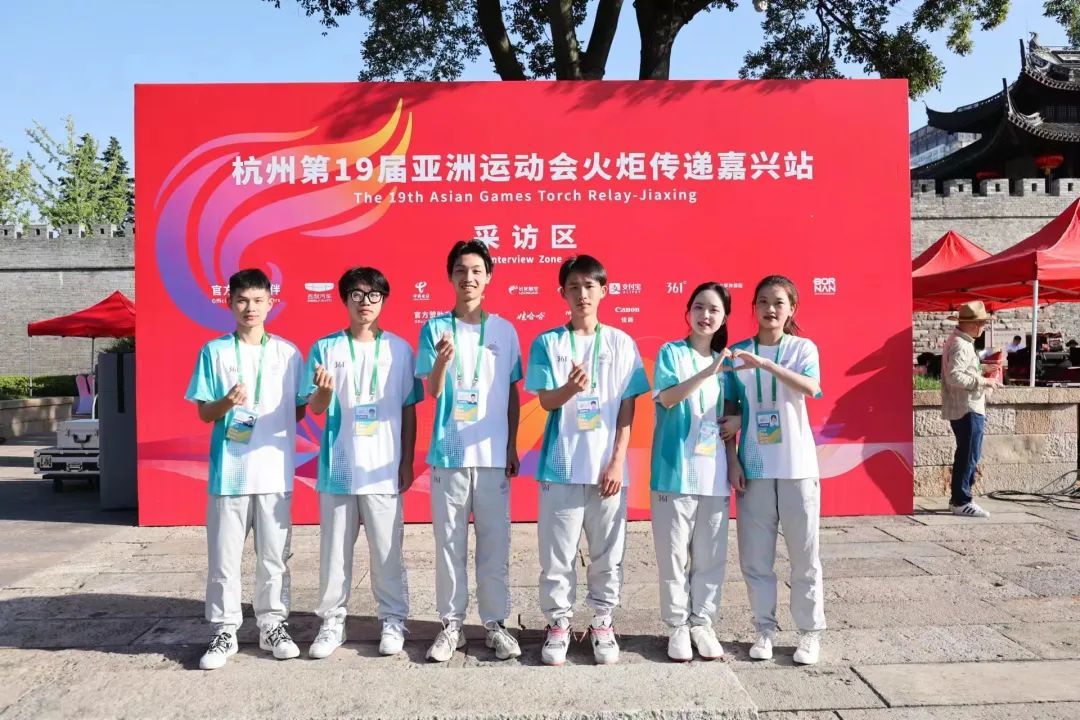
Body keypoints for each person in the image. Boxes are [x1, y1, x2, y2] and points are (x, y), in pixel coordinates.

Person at [524, 255, 650, 666]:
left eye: (590, 286)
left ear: (604, 291)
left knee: (607, 554)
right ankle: (558, 623)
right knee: (557, 556)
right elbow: (546, 401)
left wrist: (617, 460)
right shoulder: (548, 342)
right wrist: (569, 389)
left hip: (606, 471)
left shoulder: (621, 343)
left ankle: (602, 622)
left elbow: (628, 406)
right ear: (562, 292)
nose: (582, 294)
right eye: (574, 287)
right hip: (560, 467)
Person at [185, 268, 306, 670]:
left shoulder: (288, 354)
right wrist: (227, 402)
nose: (250, 307)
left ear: (271, 302)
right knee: (225, 558)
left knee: (274, 558)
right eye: (242, 300)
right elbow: (205, 413)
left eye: (257, 300)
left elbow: (300, 409)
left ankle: (272, 625)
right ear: (230, 303)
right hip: (230, 475)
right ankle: (225, 630)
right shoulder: (214, 352)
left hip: (274, 472)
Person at [303, 267, 423, 659]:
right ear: (344, 299)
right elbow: (315, 408)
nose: (365, 302)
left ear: (384, 300)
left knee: (388, 551)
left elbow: (408, 409)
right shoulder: (325, 348)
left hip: (383, 468)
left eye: (373, 295)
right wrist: (323, 392)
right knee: (334, 552)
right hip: (338, 469)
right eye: (356, 294)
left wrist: (406, 461)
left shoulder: (400, 350)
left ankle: (393, 618)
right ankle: (332, 620)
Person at [415, 240, 523, 662]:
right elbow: (432, 389)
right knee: (449, 544)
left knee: (495, 544)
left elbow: (512, 392)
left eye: (477, 270)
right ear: (450, 277)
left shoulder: (505, 331)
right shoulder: (434, 329)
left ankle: (495, 624)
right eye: (460, 270)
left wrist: (511, 444)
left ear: (489, 276)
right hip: (450, 455)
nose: (468, 278)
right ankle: (451, 624)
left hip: (493, 457)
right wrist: (442, 361)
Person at [729, 275, 825, 666]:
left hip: (796, 466)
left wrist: (767, 365)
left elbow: (811, 387)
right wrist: (732, 459)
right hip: (754, 467)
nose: (770, 309)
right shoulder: (737, 354)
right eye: (763, 301)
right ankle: (763, 630)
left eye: (779, 302)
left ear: (791, 309)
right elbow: (731, 410)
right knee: (755, 559)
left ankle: (809, 633)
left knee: (804, 556)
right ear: (753, 307)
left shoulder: (802, 348)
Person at [650, 282, 743, 662]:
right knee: (673, 556)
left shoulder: (728, 365)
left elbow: (731, 417)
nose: (706, 315)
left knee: (710, 556)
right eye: (699, 307)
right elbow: (668, 397)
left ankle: (702, 623)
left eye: (714, 310)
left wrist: (733, 456)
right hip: (673, 472)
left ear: (724, 318)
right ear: (688, 311)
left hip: (714, 474)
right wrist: (708, 372)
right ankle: (677, 625)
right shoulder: (671, 353)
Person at [942, 301, 1000, 519]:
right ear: (971, 324)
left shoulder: (959, 341)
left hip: (966, 406)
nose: (983, 327)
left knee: (967, 454)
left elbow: (960, 370)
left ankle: (959, 498)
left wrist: (982, 368)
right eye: (981, 323)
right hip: (967, 407)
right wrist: (983, 381)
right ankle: (962, 500)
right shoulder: (960, 344)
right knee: (969, 455)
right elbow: (954, 376)